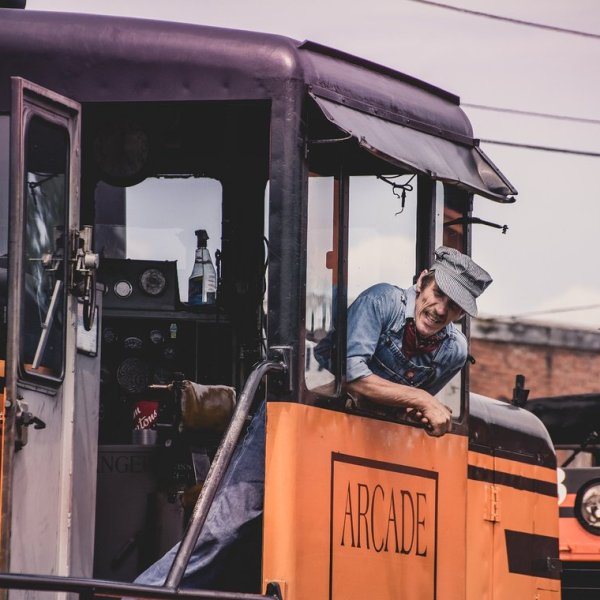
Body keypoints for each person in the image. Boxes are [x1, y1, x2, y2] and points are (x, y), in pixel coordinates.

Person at [133, 246, 491, 589]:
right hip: (299, 418)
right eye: (438, 293)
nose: (440, 309)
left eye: (454, 306)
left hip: (356, 444)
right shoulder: (382, 301)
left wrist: (418, 409)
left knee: (324, 545)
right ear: (422, 281)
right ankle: (144, 593)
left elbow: (408, 409)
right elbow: (354, 374)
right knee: (225, 523)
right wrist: (421, 398)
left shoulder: (454, 351)